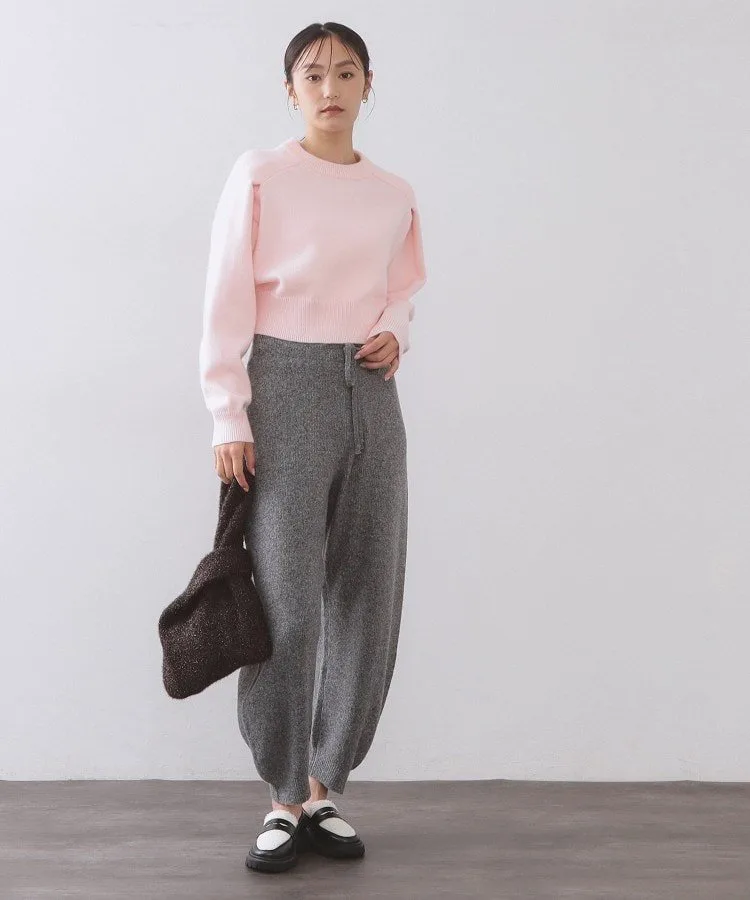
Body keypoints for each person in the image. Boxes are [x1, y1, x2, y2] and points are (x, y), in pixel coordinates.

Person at [198, 21, 427, 874]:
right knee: (289, 603)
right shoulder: (261, 173)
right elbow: (226, 289)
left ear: (369, 84)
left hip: (372, 395)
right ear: (289, 89)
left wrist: (396, 329)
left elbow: (404, 286)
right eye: (313, 73)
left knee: (369, 594)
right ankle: (281, 794)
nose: (330, 88)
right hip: (283, 385)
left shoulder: (394, 193)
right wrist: (229, 412)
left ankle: (326, 783)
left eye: (346, 72)